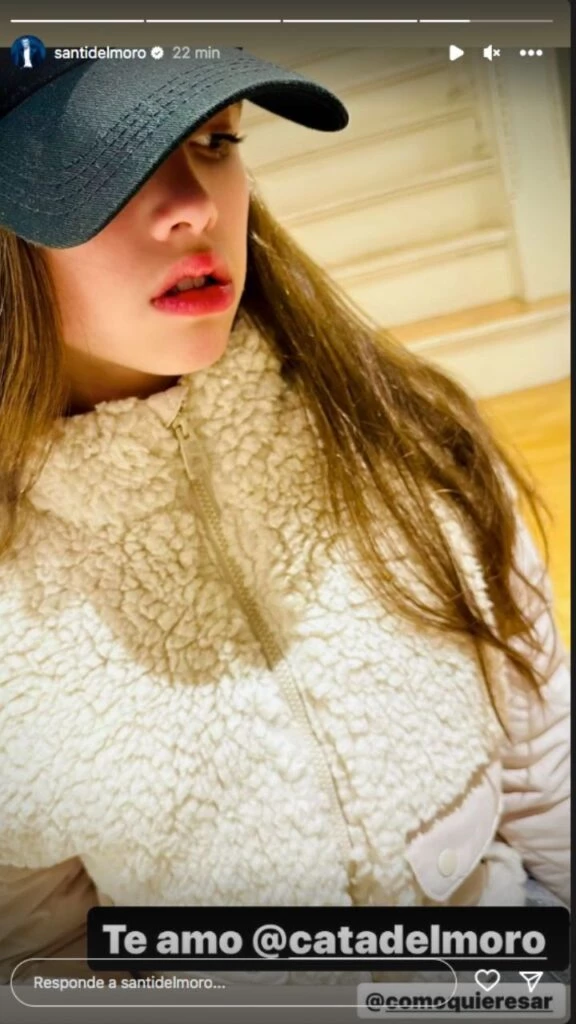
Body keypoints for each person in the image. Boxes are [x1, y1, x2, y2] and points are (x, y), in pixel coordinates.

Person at [0, 48, 570, 989]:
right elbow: (49, 953)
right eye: (112, 165)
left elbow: (546, 765)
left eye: (216, 141)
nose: (194, 207)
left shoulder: (405, 439)